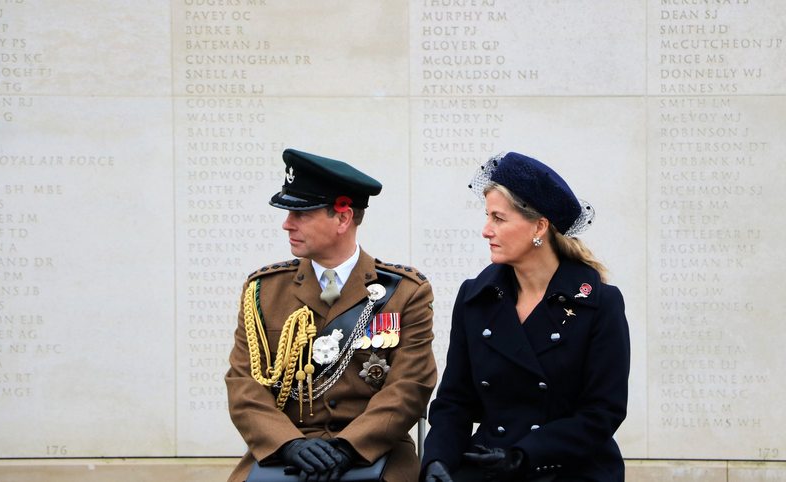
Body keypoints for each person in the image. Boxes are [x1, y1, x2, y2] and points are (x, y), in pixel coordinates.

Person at [225, 148, 437, 482]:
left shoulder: (406, 292)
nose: (286, 224)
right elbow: (243, 384)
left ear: (342, 218)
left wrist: (349, 446)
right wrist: (289, 444)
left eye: (302, 214)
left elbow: (411, 385)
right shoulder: (263, 291)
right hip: (283, 454)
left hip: (373, 451)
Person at [421, 152, 631, 481]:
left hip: (571, 470)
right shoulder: (475, 298)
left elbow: (602, 412)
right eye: (487, 216)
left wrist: (524, 455)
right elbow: (455, 401)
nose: (486, 231)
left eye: (498, 219)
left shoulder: (599, 304)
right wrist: (437, 461)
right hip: (489, 465)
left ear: (539, 226)